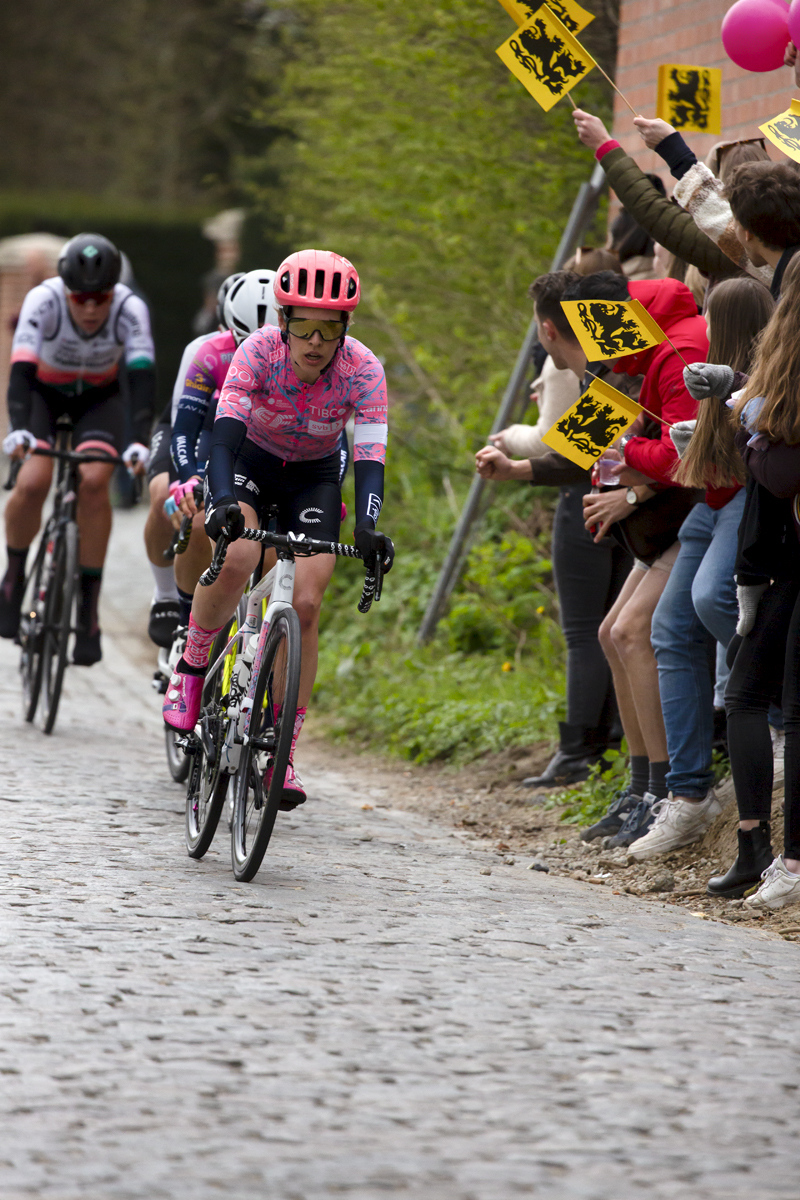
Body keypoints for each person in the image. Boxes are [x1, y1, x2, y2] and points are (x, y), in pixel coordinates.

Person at [162, 249, 393, 811]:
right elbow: (221, 437)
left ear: (345, 329)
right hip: (249, 461)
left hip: (313, 475)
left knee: (308, 604)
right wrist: (220, 500)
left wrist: (367, 525)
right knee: (238, 557)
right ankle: (190, 671)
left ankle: (282, 753)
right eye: (304, 327)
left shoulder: (364, 369)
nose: (315, 342)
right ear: (283, 323)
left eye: (329, 329)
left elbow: (369, 457)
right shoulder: (256, 353)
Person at [626, 276, 774, 865]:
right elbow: (693, 461)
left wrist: (638, 457)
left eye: (713, 318)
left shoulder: (698, 355)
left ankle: (770, 710)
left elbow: (760, 446)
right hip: (713, 503)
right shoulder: (702, 357)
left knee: (715, 599)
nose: (703, 328)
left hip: (739, 501)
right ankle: (688, 795)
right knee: (667, 627)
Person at [477, 270, 635, 790]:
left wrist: (516, 459)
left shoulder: (610, 366)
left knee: (586, 630)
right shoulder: (617, 361)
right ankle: (611, 748)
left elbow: (576, 447)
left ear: (548, 330)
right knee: (618, 629)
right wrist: (521, 470)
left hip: (597, 505)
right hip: (629, 507)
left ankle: (578, 754)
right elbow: (583, 446)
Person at [579, 272, 708, 845]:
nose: (594, 361)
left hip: (688, 515)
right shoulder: (643, 355)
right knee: (612, 631)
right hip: (660, 518)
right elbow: (589, 454)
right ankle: (641, 786)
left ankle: (665, 788)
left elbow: (684, 454)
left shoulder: (676, 349)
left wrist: (626, 475)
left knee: (629, 631)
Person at [0, 232, 155, 665]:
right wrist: (17, 427)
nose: (90, 308)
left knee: (93, 481)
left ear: (114, 292)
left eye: (99, 298)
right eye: (80, 298)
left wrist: (139, 441)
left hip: (99, 400)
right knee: (32, 482)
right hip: (42, 397)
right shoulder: (43, 300)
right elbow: (21, 370)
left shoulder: (130, 308)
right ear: (66, 290)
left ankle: (88, 611)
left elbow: (142, 378)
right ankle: (12, 577)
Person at [712, 257, 800, 909]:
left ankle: (790, 859)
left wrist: (750, 422)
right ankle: (755, 846)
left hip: (768, 548)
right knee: (744, 689)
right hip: (774, 553)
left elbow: (778, 469)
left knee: (790, 709)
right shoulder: (769, 371)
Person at [166, 269, 281, 627]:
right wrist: (185, 478)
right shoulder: (209, 353)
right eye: (245, 341)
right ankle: (187, 622)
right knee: (199, 519)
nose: (258, 352)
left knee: (279, 549)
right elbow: (183, 427)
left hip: (273, 454)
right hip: (216, 440)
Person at [143, 271, 244, 648]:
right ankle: (167, 597)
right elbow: (184, 423)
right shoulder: (204, 347)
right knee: (174, 504)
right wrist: (186, 479)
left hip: (235, 440)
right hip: (191, 428)